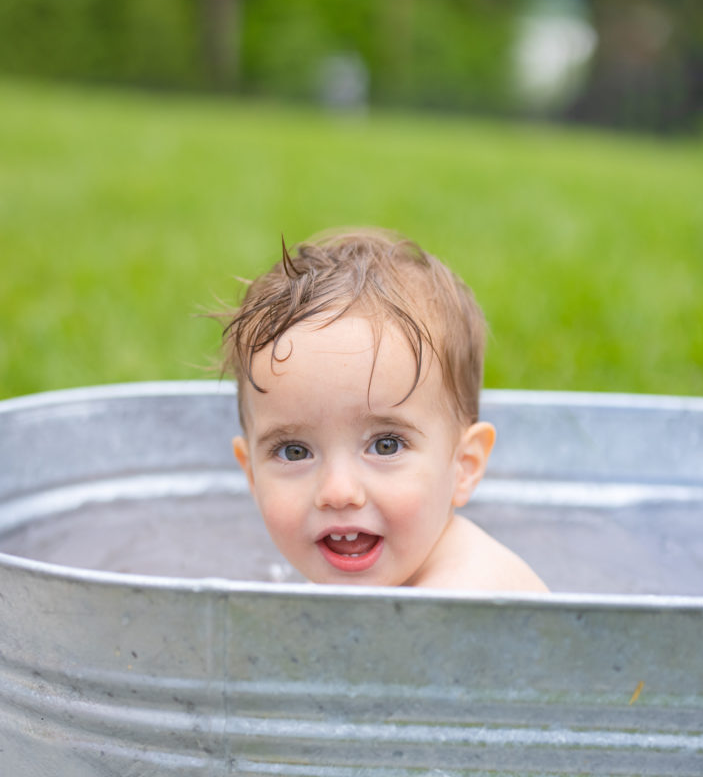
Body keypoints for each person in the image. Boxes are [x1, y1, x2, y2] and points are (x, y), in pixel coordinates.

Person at [221, 228, 547, 592]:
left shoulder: (464, 597)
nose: (338, 491)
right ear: (251, 474)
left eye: (385, 445)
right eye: (294, 451)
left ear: (464, 465)